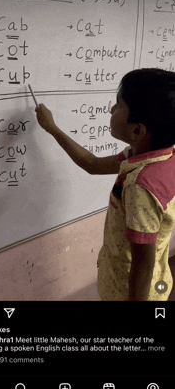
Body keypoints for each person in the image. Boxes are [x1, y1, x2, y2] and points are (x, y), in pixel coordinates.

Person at [35, 68, 175, 301]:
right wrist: (53, 129)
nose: (111, 110)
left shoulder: (140, 187)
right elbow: (92, 164)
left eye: (119, 107)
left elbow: (142, 266)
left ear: (137, 130)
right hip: (157, 281)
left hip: (128, 293)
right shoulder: (161, 156)